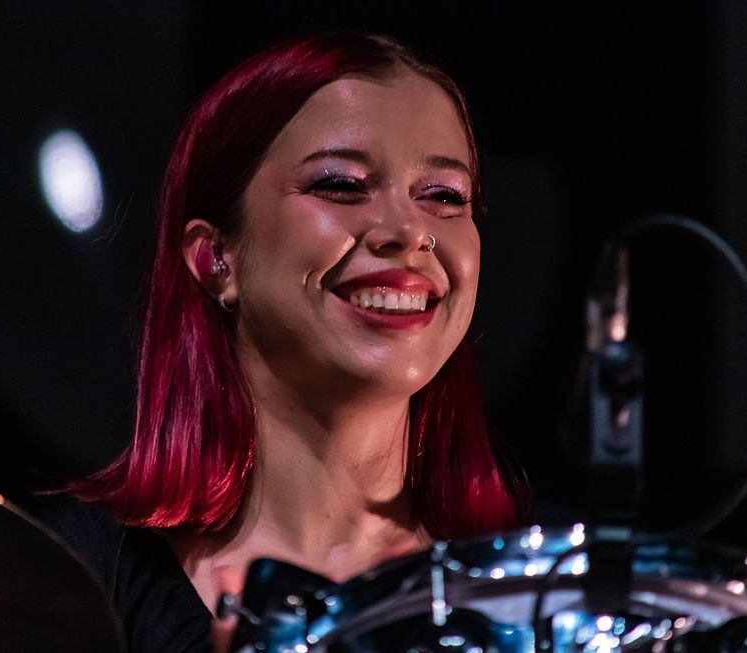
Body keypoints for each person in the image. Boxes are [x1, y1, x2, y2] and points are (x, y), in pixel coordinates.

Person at [40, 31, 522, 652]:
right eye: (342, 185)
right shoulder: (69, 579)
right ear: (217, 258)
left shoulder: (555, 594)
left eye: (445, 196)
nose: (408, 231)